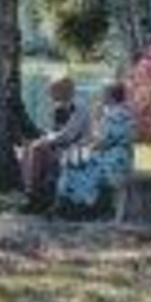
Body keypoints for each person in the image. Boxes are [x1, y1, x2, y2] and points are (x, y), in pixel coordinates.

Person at [55, 81, 136, 219]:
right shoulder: (126, 113)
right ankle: (85, 207)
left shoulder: (113, 115)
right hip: (124, 159)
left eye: (103, 93)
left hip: (112, 162)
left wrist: (86, 146)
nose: (101, 96)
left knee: (74, 168)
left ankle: (77, 209)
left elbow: (104, 142)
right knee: (81, 164)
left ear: (110, 96)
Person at [17, 74, 93, 212]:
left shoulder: (79, 108)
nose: (50, 93)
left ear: (64, 91)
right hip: (61, 145)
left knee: (36, 149)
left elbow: (69, 134)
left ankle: (34, 195)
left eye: (53, 90)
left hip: (76, 148)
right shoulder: (58, 108)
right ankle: (31, 191)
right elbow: (53, 130)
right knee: (28, 147)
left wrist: (46, 140)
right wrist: (44, 138)